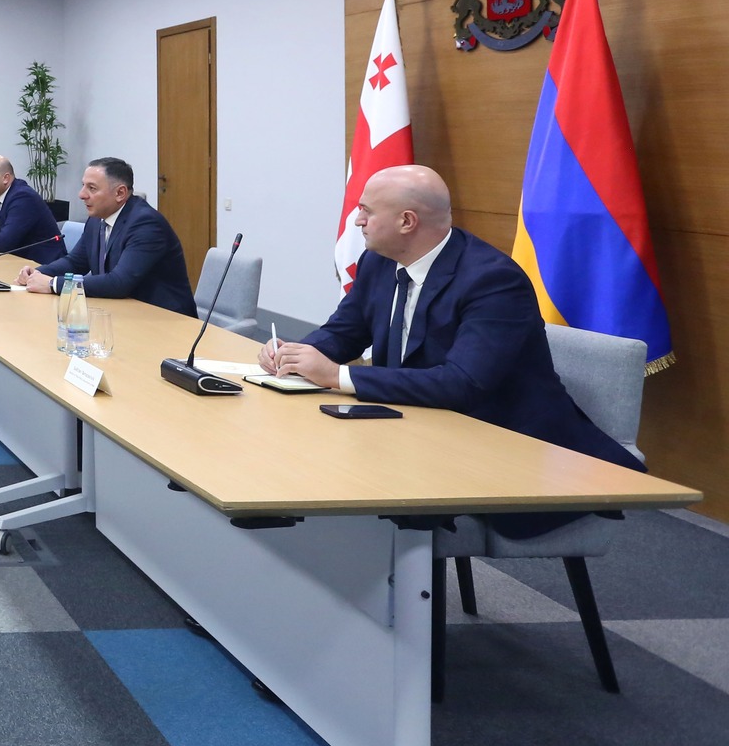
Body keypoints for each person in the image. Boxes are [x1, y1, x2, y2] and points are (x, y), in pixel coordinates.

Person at [260, 164, 647, 538]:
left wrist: (336, 375)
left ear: (407, 221)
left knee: (366, 484)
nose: (357, 220)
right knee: (317, 460)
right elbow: (344, 332)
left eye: (366, 210)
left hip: (508, 445)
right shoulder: (377, 261)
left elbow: (462, 384)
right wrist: (296, 354)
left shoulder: (493, 281)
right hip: (417, 426)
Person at [22, 157, 196, 316]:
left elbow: (119, 283)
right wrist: (38, 273)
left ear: (120, 193)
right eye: (83, 186)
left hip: (164, 319)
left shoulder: (146, 224)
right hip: (123, 312)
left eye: (92, 188)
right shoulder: (97, 219)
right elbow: (75, 262)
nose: (81, 194)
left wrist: (53, 284)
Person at [0, 154, 63, 260]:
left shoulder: (24, 197)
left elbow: (5, 242)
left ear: (5, 178)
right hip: (14, 259)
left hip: (42, 263)